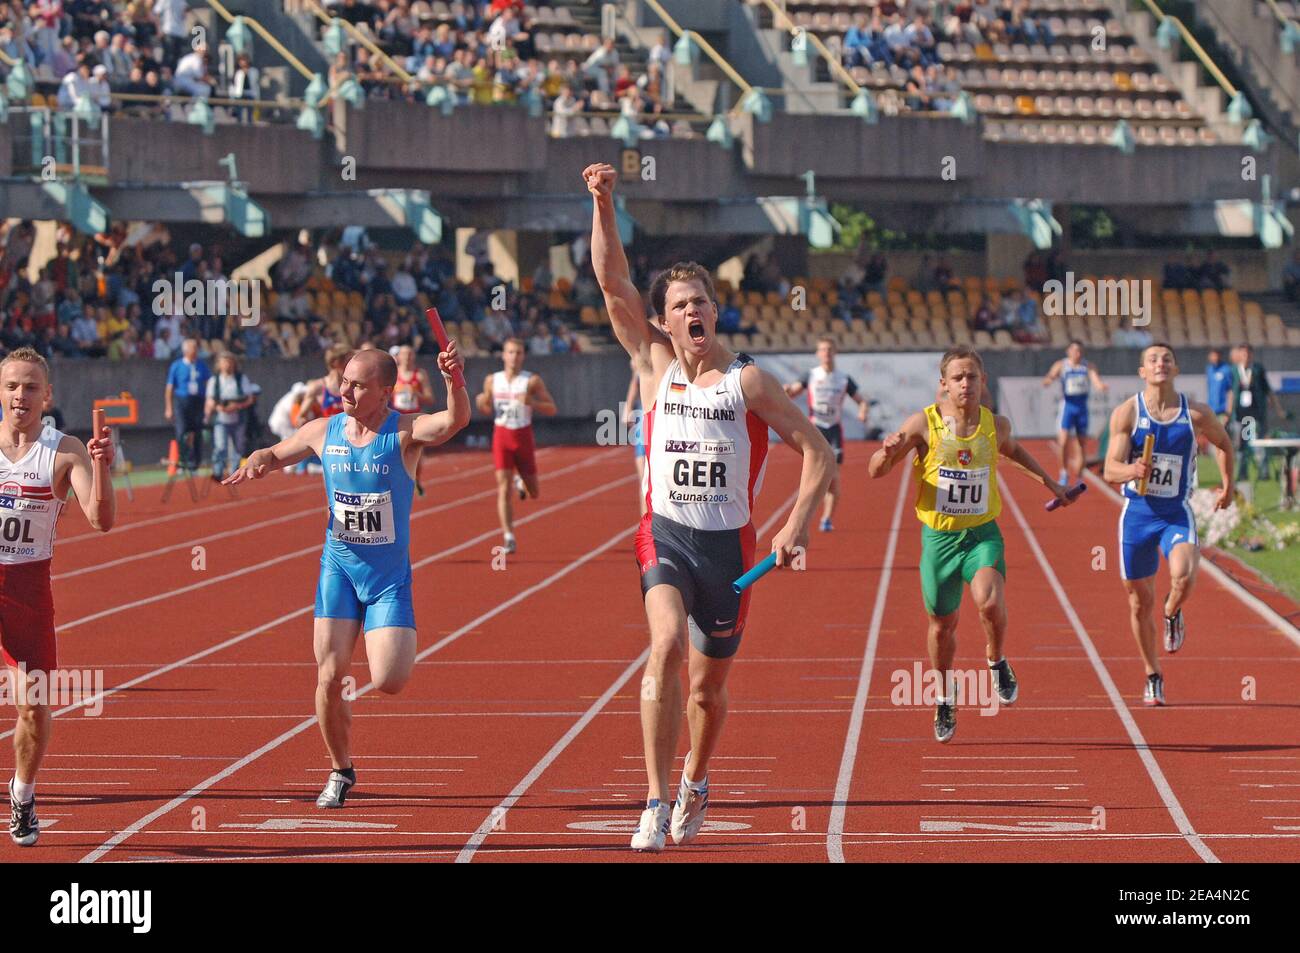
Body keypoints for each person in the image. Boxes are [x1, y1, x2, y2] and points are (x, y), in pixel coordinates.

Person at [585, 161, 835, 852]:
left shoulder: (748, 382)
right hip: (664, 534)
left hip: (729, 551)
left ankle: (697, 776)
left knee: (706, 691)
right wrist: (604, 203)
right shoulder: (655, 366)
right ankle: (655, 798)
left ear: (714, 311)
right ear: (662, 322)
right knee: (662, 645)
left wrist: (795, 522)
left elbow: (818, 451)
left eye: (701, 301)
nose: (692, 311)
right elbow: (612, 283)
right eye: (680, 305)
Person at [224, 345, 470, 808]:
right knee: (329, 676)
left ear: (384, 391)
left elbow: (453, 421)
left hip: (386, 580)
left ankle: (353, 708)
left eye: (357, 385)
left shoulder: (403, 432)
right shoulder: (324, 430)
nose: (345, 391)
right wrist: (258, 460)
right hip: (337, 569)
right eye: (343, 381)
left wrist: (455, 380)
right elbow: (277, 453)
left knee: (391, 679)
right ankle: (340, 769)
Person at [869, 345, 1071, 743]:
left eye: (972, 377)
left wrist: (1052, 483)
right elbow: (877, 471)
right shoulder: (924, 424)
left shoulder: (996, 425)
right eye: (958, 378)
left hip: (981, 535)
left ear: (983, 381)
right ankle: (945, 695)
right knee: (942, 626)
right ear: (943, 385)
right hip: (939, 541)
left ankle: (996, 661)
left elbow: (1015, 453)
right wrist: (886, 452)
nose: (966, 384)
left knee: (990, 601)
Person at [1, 348, 115, 846]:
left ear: (47, 395)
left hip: (26, 589)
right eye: (11, 386)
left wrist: (102, 466)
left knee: (33, 706)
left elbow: (101, 519)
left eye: (29, 387)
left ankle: (23, 793)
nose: (19, 396)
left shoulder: (64, 449)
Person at [1103, 343, 1234, 705]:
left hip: (1175, 512)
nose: (1160, 363)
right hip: (1138, 515)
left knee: (1183, 576)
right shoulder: (1127, 413)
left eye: (1166, 359)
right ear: (1142, 371)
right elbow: (1109, 470)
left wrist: (1228, 484)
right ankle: (1152, 673)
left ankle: (1172, 611)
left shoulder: (1196, 414)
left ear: (1175, 369)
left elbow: (1225, 444)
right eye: (1152, 360)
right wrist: (1131, 469)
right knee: (1137, 602)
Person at [474, 337, 557, 554]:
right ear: (503, 355)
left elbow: (552, 408)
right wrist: (481, 400)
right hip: (501, 436)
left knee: (534, 492)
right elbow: (484, 408)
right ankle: (508, 536)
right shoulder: (492, 380)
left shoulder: (532, 381)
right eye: (510, 352)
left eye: (518, 353)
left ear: (523, 356)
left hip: (523, 437)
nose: (514, 357)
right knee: (503, 488)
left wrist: (533, 402)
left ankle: (522, 484)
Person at [783, 337, 870, 532]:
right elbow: (792, 392)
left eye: (829, 349)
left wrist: (863, 411)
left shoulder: (844, 378)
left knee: (833, 478)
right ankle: (802, 517)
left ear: (835, 352)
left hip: (833, 432)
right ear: (817, 354)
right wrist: (786, 390)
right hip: (815, 429)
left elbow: (861, 400)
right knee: (812, 475)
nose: (826, 353)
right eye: (822, 350)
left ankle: (827, 518)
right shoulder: (811, 375)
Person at [1041, 340, 1108, 486]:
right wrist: (1048, 380)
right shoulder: (1061, 365)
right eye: (1074, 350)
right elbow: (1051, 375)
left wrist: (1101, 386)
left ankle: (1079, 476)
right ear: (1068, 351)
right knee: (1063, 441)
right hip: (1068, 407)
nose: (1077, 354)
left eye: (1079, 351)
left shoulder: (1088, 366)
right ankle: (1063, 473)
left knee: (1081, 444)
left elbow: (1096, 380)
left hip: (1082, 408)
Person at [1226, 343, 1287, 489]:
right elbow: (1231, 392)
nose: (1246, 356)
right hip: (1240, 414)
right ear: (1239, 355)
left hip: (1257, 414)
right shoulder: (1234, 370)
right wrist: (1228, 413)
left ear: (1251, 355)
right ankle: (1242, 472)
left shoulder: (1258, 369)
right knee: (1241, 445)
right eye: (1243, 353)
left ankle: (1264, 471)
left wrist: (1278, 409)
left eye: (1248, 353)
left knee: (1260, 442)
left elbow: (1268, 391)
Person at [204, 352, 258, 481]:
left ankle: (234, 472)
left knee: (237, 447)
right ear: (219, 364)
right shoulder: (214, 381)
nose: (227, 365)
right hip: (221, 419)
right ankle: (217, 471)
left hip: (238, 418)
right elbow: (210, 400)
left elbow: (250, 398)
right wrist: (217, 408)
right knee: (220, 446)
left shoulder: (241, 379)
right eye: (224, 362)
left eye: (230, 361)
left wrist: (236, 406)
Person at [390, 344, 436, 496]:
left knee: (417, 453)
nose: (407, 357)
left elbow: (430, 398)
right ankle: (396, 482)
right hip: (397, 418)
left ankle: (416, 479)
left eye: (410, 354)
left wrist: (416, 393)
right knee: (396, 452)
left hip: (415, 419)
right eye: (404, 354)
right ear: (399, 357)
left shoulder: (420, 375)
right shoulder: (393, 375)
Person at [163, 337, 212, 472]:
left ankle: (195, 462)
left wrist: (208, 404)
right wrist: (169, 408)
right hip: (182, 401)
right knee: (181, 431)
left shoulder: (202, 365)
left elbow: (209, 385)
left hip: (198, 401)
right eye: (193, 348)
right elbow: (169, 388)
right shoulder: (177, 365)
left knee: (197, 431)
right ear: (186, 351)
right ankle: (183, 460)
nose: (195, 351)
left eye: (196, 348)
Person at [1204, 347, 1233, 425]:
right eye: (1212, 356)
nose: (1214, 358)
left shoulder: (1226, 370)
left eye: (1216, 356)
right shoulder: (1209, 369)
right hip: (1211, 410)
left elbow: (1230, 391)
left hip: (1222, 411)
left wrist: (1228, 411)